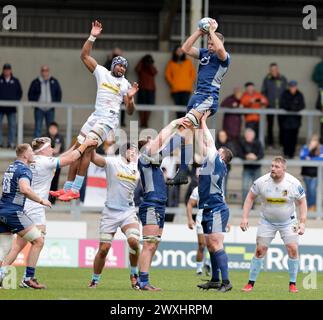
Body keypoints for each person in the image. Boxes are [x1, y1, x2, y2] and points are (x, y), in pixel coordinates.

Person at [50, 21, 139, 202]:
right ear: (113, 65)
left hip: (108, 121)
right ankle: (67, 188)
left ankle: (75, 189)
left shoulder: (126, 85)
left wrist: (129, 99)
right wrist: (92, 36)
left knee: (87, 150)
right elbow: (84, 55)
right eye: (119, 65)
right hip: (95, 117)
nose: (122, 68)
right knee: (77, 149)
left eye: (124, 67)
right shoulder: (102, 72)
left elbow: (130, 112)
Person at [2, 137, 96, 288]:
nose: (53, 150)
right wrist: (85, 145)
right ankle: (28, 278)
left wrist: (77, 144)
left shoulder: (37, 161)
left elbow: (63, 157)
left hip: (25, 206)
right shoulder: (44, 162)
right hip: (35, 209)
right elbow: (70, 159)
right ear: (43, 150)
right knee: (39, 241)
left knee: (17, 246)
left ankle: (3, 273)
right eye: (50, 147)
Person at [158, 18, 231, 185]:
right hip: (196, 96)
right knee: (188, 134)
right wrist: (200, 31)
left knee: (184, 126)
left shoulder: (224, 57)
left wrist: (212, 30)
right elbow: (185, 48)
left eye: (212, 43)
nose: (210, 46)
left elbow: (220, 49)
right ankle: (183, 172)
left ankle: (161, 154)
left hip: (208, 98)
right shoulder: (205, 53)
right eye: (209, 43)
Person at [240, 156, 307, 293]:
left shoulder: (293, 183)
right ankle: (250, 284)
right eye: (272, 166)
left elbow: (302, 202)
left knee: (293, 250)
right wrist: (244, 218)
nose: (273, 169)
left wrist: (302, 222)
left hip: (289, 221)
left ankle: (292, 284)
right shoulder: (262, 181)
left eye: (276, 167)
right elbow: (250, 198)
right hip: (267, 222)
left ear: (284, 169)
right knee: (259, 251)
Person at [88, 143, 140, 289]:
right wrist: (92, 143)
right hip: (110, 212)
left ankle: (134, 274)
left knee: (134, 242)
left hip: (128, 211)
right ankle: (95, 279)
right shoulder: (112, 162)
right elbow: (93, 158)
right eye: (132, 150)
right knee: (104, 249)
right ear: (124, 151)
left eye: (136, 151)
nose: (134, 153)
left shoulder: (138, 167)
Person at [0, 144, 51, 289]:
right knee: (38, 241)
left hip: (2, 210)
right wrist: (41, 200)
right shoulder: (24, 169)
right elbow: (25, 189)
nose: (33, 154)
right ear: (25, 156)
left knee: (4, 248)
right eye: (30, 152)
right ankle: (28, 279)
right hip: (13, 212)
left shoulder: (11, 167)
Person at [195, 111, 233, 292]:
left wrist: (202, 121)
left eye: (220, 150)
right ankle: (215, 280)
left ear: (222, 156)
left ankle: (226, 282)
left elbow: (209, 142)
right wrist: (197, 128)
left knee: (216, 243)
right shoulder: (211, 162)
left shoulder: (217, 161)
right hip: (208, 208)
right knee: (210, 244)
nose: (216, 150)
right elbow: (203, 144)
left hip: (216, 208)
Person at [28, 65, 62, 138]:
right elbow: (30, 93)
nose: (45, 72)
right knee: (38, 127)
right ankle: (36, 146)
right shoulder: (36, 82)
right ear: (41, 72)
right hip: (39, 108)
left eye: (46, 70)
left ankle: (49, 145)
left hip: (50, 108)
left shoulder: (54, 81)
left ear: (48, 72)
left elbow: (59, 93)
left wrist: (55, 103)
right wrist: (34, 103)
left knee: (50, 128)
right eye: (43, 70)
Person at [165, 45, 196, 118]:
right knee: (178, 109)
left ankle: (183, 125)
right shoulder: (171, 63)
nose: (179, 52)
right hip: (176, 89)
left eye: (181, 51)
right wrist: (173, 84)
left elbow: (193, 74)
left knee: (185, 108)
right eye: (178, 51)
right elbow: (167, 75)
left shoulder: (188, 62)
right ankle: (178, 125)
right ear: (175, 52)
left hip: (186, 89)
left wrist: (189, 82)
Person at [186, 186, 211, 276]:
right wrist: (189, 219)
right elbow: (190, 204)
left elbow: (223, 204)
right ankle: (199, 269)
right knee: (202, 244)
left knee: (212, 244)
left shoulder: (218, 187)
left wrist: (226, 221)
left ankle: (208, 263)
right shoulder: (197, 189)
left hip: (214, 218)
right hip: (201, 218)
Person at [261, 63, 288, 147]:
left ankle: (282, 143)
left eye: (275, 69)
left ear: (278, 69)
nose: (274, 71)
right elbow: (263, 92)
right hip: (270, 106)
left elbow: (286, 92)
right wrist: (266, 102)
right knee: (270, 126)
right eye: (272, 70)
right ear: (270, 70)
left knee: (282, 126)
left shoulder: (283, 79)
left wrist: (285, 103)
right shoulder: (267, 79)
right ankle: (270, 143)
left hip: (281, 106)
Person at [237, 128, 264, 204]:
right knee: (245, 187)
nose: (248, 136)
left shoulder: (258, 143)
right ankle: (245, 203)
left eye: (250, 135)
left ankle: (253, 204)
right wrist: (246, 156)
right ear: (245, 136)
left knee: (256, 188)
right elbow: (238, 153)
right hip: (247, 168)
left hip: (257, 168)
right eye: (247, 135)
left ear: (253, 136)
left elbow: (262, 154)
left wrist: (255, 157)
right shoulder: (242, 143)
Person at [280, 80, 305, 159]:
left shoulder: (299, 94)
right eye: (291, 87)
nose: (293, 88)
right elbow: (283, 104)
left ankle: (291, 154)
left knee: (294, 138)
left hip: (296, 121)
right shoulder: (285, 94)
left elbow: (302, 105)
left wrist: (294, 108)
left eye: (294, 87)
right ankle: (286, 153)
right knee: (286, 138)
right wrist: (292, 107)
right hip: (286, 121)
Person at [0, 63, 23, 149]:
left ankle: (11, 142)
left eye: (8, 70)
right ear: (3, 70)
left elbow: (19, 92)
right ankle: (0, 142)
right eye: (5, 70)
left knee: (12, 125)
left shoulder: (15, 81)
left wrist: (15, 100)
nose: (7, 71)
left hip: (12, 108)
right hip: (0, 107)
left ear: (10, 71)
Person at [104, 47, 127, 127]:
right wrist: (109, 59)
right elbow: (105, 70)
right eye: (115, 55)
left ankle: (121, 121)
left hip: (119, 88)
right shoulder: (109, 63)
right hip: (109, 89)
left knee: (121, 105)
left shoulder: (123, 65)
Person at [300, 134, 323, 212]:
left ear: (317, 142)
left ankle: (312, 206)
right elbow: (302, 157)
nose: (313, 142)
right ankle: (310, 206)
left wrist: (311, 158)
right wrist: (309, 150)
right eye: (312, 140)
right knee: (308, 190)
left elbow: (321, 158)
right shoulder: (305, 147)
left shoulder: (321, 148)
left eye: (315, 140)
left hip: (316, 174)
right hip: (306, 173)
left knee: (313, 190)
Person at [135, 54, 158, 128]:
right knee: (141, 106)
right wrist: (142, 61)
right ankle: (142, 122)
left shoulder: (151, 67)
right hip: (142, 89)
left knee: (149, 106)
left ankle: (146, 122)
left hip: (151, 89)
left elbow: (154, 72)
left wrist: (150, 64)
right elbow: (137, 69)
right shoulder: (141, 67)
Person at [47, 122, 65, 204]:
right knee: (47, 180)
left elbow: (59, 149)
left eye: (54, 129)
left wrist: (53, 150)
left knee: (55, 180)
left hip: (57, 161)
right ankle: (46, 198)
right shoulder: (45, 137)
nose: (53, 130)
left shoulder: (60, 137)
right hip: (47, 162)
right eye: (51, 128)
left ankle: (53, 199)